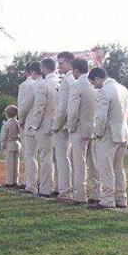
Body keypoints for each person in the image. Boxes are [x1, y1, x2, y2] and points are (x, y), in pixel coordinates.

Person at [89, 68, 128, 210]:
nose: (94, 86)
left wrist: (98, 133)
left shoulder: (104, 91)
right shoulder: (124, 89)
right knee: (118, 168)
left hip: (108, 134)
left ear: (97, 78)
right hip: (123, 133)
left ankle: (107, 199)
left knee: (105, 168)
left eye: (93, 82)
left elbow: (101, 117)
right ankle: (121, 198)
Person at [66, 58, 101, 204]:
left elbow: (73, 110)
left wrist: (71, 126)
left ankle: (80, 195)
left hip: (80, 128)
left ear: (75, 70)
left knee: (78, 163)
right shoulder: (96, 84)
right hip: (94, 127)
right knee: (93, 163)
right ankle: (96, 193)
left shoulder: (76, 85)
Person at [26, 58, 61, 197]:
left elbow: (39, 107)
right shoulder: (60, 82)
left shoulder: (44, 84)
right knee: (59, 158)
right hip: (58, 125)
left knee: (44, 157)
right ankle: (59, 186)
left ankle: (46, 188)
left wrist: (34, 125)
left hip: (45, 125)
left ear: (44, 68)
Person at [51, 52, 76, 201]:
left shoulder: (68, 80)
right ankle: (65, 188)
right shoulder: (71, 79)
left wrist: (56, 125)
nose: (58, 67)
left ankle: (65, 191)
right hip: (70, 124)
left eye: (61, 63)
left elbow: (63, 106)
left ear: (70, 63)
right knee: (67, 159)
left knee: (62, 159)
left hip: (64, 126)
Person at [16, 62, 41, 193]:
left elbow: (24, 104)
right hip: (44, 124)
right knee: (44, 156)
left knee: (30, 155)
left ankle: (30, 184)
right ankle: (43, 183)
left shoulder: (27, 84)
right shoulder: (52, 83)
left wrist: (21, 118)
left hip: (30, 122)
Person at [0, 105, 22, 188]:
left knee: (9, 164)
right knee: (16, 163)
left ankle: (9, 182)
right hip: (17, 144)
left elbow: (3, 136)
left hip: (9, 144)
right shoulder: (17, 122)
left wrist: (2, 146)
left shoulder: (7, 124)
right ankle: (15, 181)